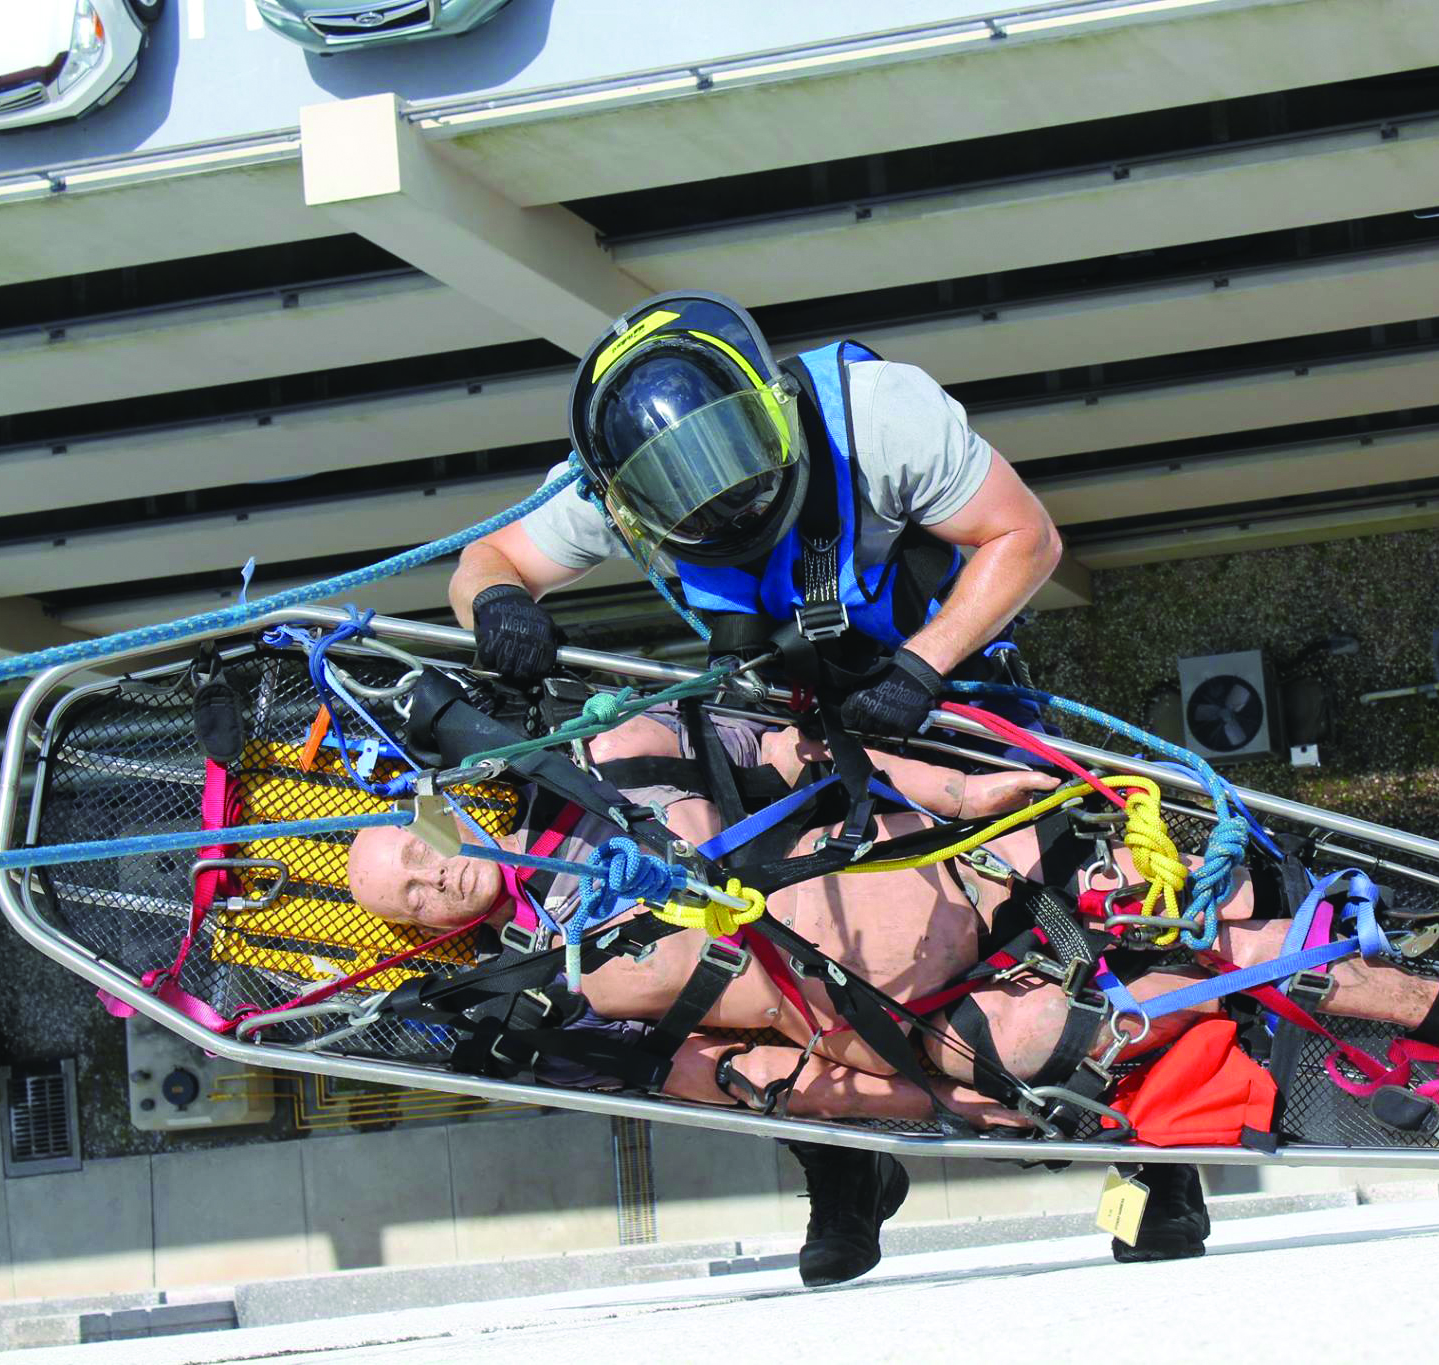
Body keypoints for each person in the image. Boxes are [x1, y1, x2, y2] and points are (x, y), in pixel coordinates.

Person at [347, 709, 1439, 1276]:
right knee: (1110, 1040)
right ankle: (1430, 1062)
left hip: (959, 880)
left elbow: (808, 746)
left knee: (1204, 933)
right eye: (403, 897)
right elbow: (719, 1074)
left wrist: (983, 792)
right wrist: (938, 1116)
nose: (424, 875)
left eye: (409, 848)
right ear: (413, 935)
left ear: (436, 810)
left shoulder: (608, 757)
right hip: (910, 1028)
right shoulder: (549, 999)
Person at [444, 290, 1088, 1283]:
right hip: (784, 722)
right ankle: (842, 1166)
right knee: (759, 939)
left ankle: (1155, 1158)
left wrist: (921, 667)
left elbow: (1023, 539)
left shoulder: (880, 417)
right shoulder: (602, 489)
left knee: (1051, 901)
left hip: (942, 688)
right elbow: (490, 556)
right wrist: (495, 602)